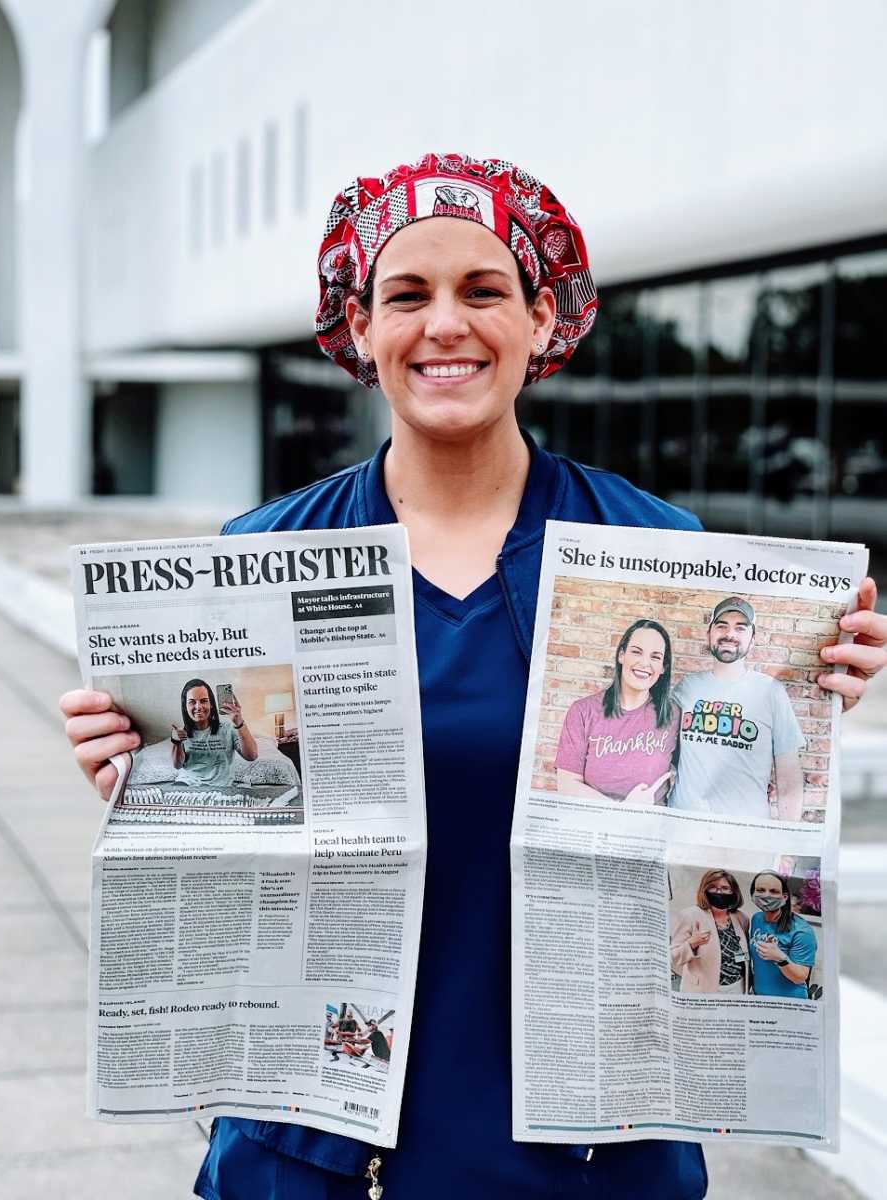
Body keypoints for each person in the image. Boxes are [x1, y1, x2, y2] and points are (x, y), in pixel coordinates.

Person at [60, 152, 887, 1200]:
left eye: (483, 290)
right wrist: (143, 775)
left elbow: (731, 814)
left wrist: (818, 675)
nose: (444, 324)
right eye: (406, 294)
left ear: (543, 319)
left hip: (589, 1154)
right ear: (357, 328)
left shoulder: (660, 552)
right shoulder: (255, 558)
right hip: (314, 1155)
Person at [669, 597, 805, 821]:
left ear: (752, 640)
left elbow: (788, 773)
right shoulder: (686, 687)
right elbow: (666, 752)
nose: (729, 634)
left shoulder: (771, 691)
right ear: (709, 634)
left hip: (746, 833)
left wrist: (787, 847)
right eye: (722, 626)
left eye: (740, 628)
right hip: (684, 826)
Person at [555, 618, 679, 804]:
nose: (645, 663)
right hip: (592, 826)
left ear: (663, 667)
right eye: (637, 652)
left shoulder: (674, 715)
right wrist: (622, 810)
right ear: (622, 655)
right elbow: (567, 785)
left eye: (655, 657)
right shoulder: (583, 711)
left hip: (649, 828)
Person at [670, 870, 750, 995]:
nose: (719, 892)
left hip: (737, 988)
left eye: (725, 888)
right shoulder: (689, 916)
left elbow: (743, 953)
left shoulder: (741, 918)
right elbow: (672, 957)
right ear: (704, 889)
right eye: (713, 887)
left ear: (733, 892)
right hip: (703, 990)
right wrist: (691, 944)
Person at [169, 679, 258, 788]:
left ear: (211, 704)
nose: (198, 707)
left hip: (220, 787)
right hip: (187, 784)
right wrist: (176, 743)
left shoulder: (229, 729)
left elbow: (252, 756)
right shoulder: (181, 733)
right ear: (185, 706)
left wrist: (239, 722)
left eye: (203, 701)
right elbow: (177, 766)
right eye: (192, 702)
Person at [748, 872, 818, 999]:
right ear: (753, 894)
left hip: (789, 1003)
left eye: (774, 891)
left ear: (784, 897)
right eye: (760, 890)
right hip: (759, 998)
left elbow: (800, 977)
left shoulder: (802, 931)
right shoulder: (756, 919)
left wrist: (780, 958)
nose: (766, 895)